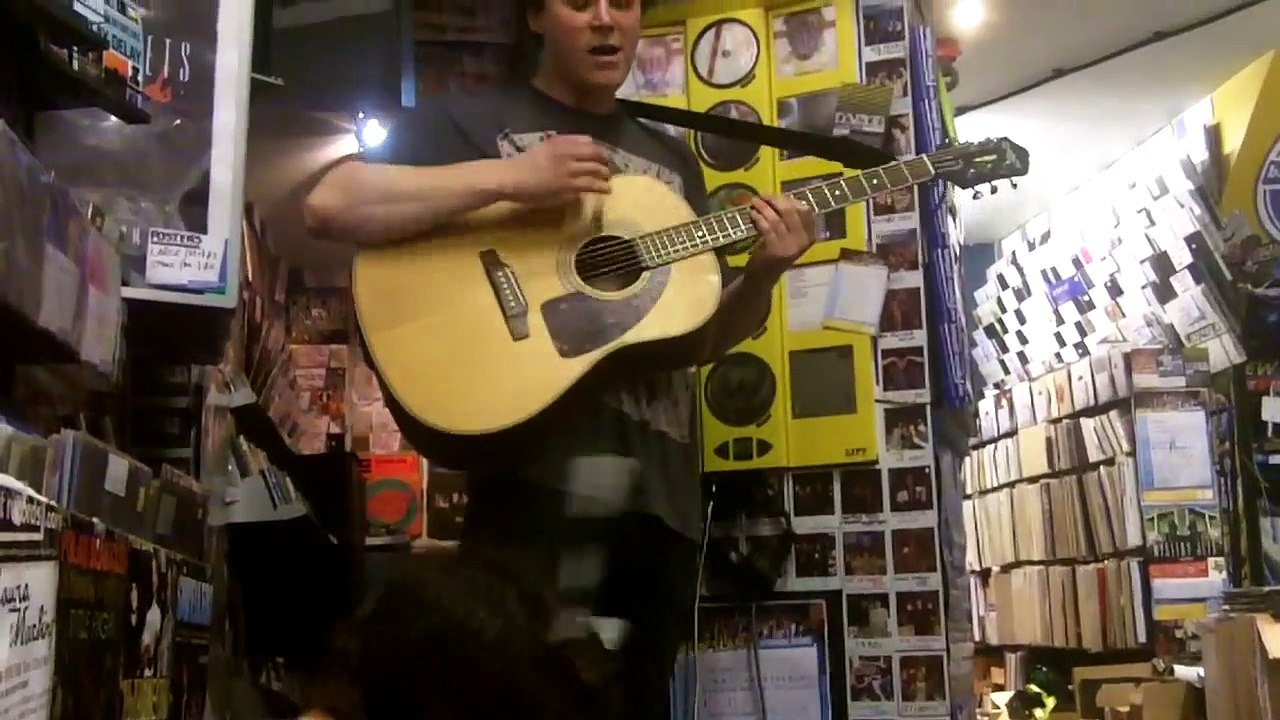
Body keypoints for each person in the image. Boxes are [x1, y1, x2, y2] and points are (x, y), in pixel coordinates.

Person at [302, 1, 818, 717]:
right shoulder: (475, 122)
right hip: (534, 495)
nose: (607, 20)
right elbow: (331, 204)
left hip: (660, 510)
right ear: (537, 17)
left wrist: (763, 273)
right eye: (581, 2)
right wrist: (511, 179)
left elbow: (694, 343)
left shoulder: (672, 163)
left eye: (625, 3)